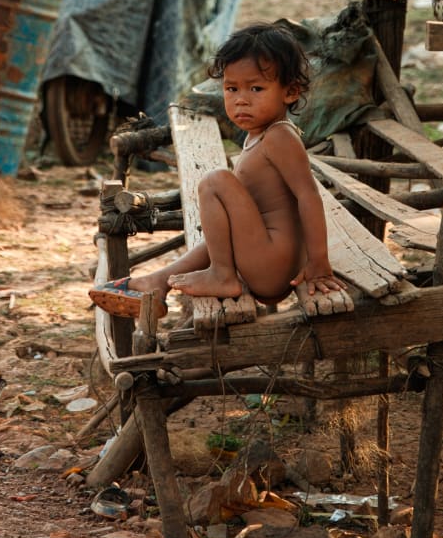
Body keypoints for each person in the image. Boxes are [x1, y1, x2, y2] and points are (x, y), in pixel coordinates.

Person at [89, 22, 346, 319]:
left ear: (290, 92)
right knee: (220, 216)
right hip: (267, 262)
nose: (241, 99)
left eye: (256, 88)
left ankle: (222, 276)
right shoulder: (261, 134)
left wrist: (318, 262)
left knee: (215, 181)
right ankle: (157, 282)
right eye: (231, 88)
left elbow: (309, 195)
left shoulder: (280, 136)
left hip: (273, 264)